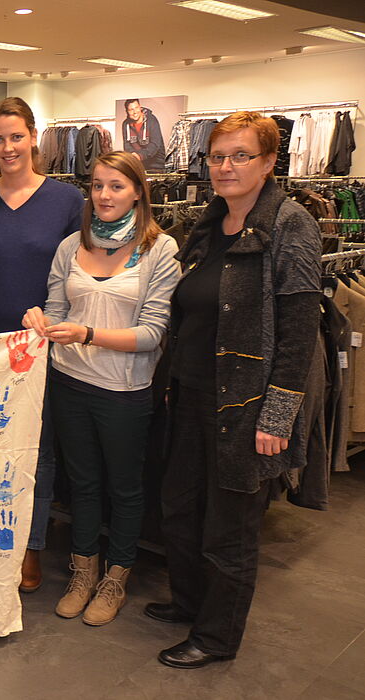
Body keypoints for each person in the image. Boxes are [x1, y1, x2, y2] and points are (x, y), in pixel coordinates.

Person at [147, 112, 321, 668]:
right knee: (180, 508)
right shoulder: (209, 221)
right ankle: (191, 603)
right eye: (218, 156)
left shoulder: (290, 225)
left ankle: (217, 637)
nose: (225, 167)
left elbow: (298, 331)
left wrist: (277, 418)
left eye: (240, 155)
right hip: (193, 393)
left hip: (245, 406)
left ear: (270, 162)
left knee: (230, 527)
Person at [22, 151, 180, 626]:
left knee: (125, 488)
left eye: (116, 186)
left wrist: (88, 334)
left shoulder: (160, 251)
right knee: (84, 485)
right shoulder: (72, 246)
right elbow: (56, 309)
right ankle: (82, 571)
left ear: (137, 192)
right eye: (97, 186)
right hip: (69, 381)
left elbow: (153, 334)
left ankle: (116, 577)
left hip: (124, 392)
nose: (105, 195)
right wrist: (39, 321)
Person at [0, 97, 85, 593]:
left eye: (16, 136)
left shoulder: (67, 202)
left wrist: (54, 321)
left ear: (33, 137)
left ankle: (29, 547)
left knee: (37, 451)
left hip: (41, 347)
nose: (8, 147)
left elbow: (81, 275)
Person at [120, 99, 165, 172]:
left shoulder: (152, 120)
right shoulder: (125, 124)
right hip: (138, 165)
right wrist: (133, 155)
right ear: (127, 111)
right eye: (131, 109)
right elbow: (127, 144)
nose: (135, 112)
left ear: (140, 107)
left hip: (156, 165)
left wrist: (140, 156)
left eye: (136, 108)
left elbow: (155, 144)